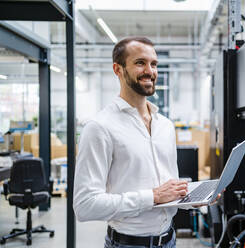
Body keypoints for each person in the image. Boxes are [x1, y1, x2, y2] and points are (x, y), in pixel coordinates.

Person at [73, 37, 189, 248]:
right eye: (140, 63)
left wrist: (191, 197)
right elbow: (85, 205)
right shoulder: (99, 127)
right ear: (118, 69)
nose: (150, 71)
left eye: (154, 64)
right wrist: (152, 197)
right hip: (128, 244)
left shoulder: (165, 126)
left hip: (169, 239)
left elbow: (167, 189)